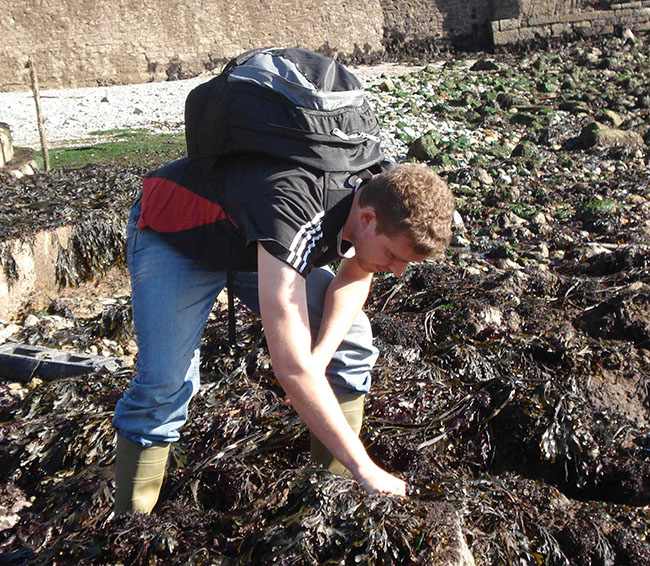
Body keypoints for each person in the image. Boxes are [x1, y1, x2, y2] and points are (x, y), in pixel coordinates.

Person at [112, 155, 453, 514]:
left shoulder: (382, 188)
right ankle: (129, 525)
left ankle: (330, 497)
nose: (398, 272)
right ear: (367, 220)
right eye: (393, 256)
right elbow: (290, 369)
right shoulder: (296, 213)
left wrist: (319, 359)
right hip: (177, 234)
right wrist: (365, 467)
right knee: (165, 383)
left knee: (351, 339)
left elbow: (354, 275)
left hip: (251, 243)